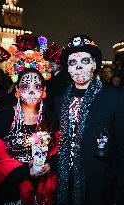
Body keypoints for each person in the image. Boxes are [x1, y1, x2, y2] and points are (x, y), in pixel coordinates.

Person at [0, 33, 58, 205]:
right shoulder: (6, 116)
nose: (32, 91)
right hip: (11, 191)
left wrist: (49, 164)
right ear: (17, 90)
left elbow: (58, 149)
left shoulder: (49, 116)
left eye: (37, 86)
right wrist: (25, 172)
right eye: (26, 86)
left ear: (43, 90)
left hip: (43, 188)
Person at [54, 34, 124, 205]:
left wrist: (119, 194)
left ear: (94, 64)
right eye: (72, 62)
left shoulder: (114, 98)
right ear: (68, 69)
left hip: (100, 186)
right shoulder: (58, 101)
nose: (78, 67)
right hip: (65, 184)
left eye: (85, 61)